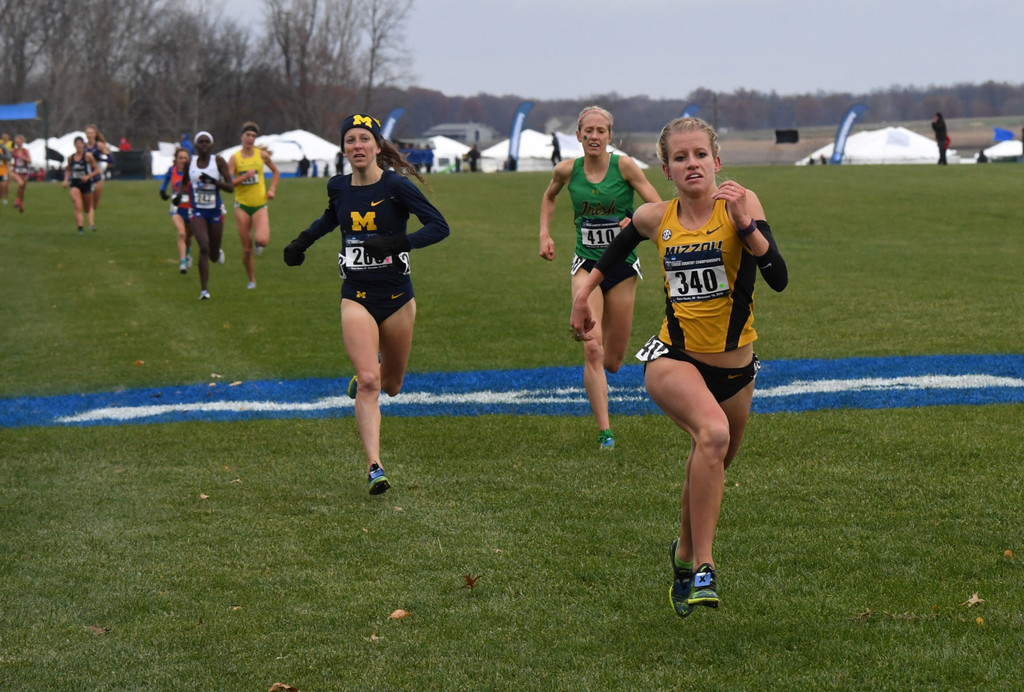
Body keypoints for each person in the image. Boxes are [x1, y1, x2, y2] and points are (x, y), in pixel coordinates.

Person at [570, 117, 788, 617]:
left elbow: (777, 276)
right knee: (711, 437)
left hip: (737, 368)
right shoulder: (654, 217)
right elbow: (618, 249)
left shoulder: (741, 203)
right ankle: (704, 568)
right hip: (673, 359)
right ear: (665, 168)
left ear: (717, 160)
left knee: (713, 460)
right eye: (680, 157)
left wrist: (746, 226)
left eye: (700, 155)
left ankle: (684, 551)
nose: (692, 164)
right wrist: (584, 292)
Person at [283, 113, 450, 495]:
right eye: (350, 140)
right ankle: (375, 466)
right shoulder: (338, 187)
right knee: (372, 383)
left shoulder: (396, 186)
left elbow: (439, 226)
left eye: (364, 139)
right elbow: (331, 216)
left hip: (397, 298)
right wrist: (301, 242)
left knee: (391, 385)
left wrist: (395, 243)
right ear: (344, 149)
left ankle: (366, 377)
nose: (356, 146)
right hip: (356, 294)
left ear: (377, 146)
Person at [539, 105, 662, 450]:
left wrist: (635, 221)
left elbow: (659, 206)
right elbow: (549, 197)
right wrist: (544, 233)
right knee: (592, 347)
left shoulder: (624, 167)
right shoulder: (566, 170)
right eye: (588, 131)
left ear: (610, 137)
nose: (594, 136)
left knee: (613, 360)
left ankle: (608, 371)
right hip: (586, 266)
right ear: (578, 136)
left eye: (601, 131)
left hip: (622, 269)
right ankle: (605, 431)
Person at [175, 130, 233, 300]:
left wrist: (213, 181)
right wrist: (179, 195)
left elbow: (230, 187)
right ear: (196, 145)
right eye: (201, 142)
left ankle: (217, 253)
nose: (204, 144)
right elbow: (185, 182)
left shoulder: (218, 162)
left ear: (212, 144)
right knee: (204, 247)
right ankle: (204, 291)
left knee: (213, 255)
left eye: (207, 141)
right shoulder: (190, 163)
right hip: (197, 210)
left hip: (215, 211)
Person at [228, 121, 280, 290]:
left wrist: (271, 189)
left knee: (262, 240)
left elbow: (276, 171)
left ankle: (260, 244)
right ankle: (251, 279)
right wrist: (244, 177)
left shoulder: (261, 155)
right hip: (242, 206)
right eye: (248, 135)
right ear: (242, 137)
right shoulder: (234, 158)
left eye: (253, 136)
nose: (250, 138)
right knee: (247, 249)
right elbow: (228, 184)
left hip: (260, 204)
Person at [160, 147, 194, 273]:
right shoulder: (172, 170)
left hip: (190, 208)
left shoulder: (192, 172)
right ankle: (183, 263)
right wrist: (162, 190)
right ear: (176, 159)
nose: (183, 160)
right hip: (177, 209)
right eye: (180, 158)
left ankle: (188, 252)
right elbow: (165, 181)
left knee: (189, 237)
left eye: (185, 158)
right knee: (181, 234)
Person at [62, 136, 101, 234]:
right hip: (75, 183)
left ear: (83, 145)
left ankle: (91, 223)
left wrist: (88, 176)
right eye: (77, 144)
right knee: (77, 204)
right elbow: (68, 169)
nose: (79, 145)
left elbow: (97, 170)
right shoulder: (71, 158)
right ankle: (80, 228)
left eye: (81, 143)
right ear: (74, 145)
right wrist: (66, 180)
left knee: (87, 207)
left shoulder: (88, 156)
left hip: (86, 183)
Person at [83, 125, 111, 226]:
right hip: (86, 176)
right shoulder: (83, 147)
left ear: (95, 134)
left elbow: (110, 159)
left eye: (91, 133)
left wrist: (100, 158)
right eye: (88, 133)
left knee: (94, 205)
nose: (90, 135)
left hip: (98, 176)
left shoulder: (100, 145)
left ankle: (90, 216)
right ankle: (91, 224)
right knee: (88, 204)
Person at [10, 135, 32, 213]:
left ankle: (20, 204)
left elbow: (29, 160)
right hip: (15, 171)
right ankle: (17, 200)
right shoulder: (13, 151)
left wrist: (23, 158)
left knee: (22, 189)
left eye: (19, 142)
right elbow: (6, 157)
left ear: (22, 142)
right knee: (20, 183)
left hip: (24, 172)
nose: (18, 143)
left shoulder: (25, 151)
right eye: (16, 142)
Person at [0, 133, 11, 204]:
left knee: (5, 185)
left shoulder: (3, 147)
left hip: (4, 169)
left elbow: (8, 157)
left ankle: (5, 198)